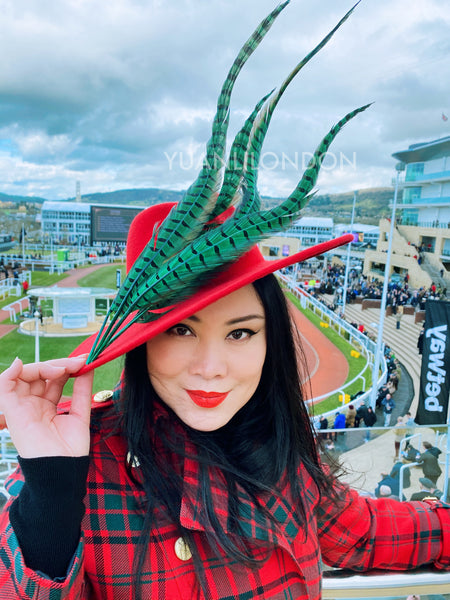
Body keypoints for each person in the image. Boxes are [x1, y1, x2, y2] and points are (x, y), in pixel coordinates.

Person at [1, 7, 450, 600]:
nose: (212, 366)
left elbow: (365, 532)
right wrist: (51, 493)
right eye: (182, 331)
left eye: (241, 333)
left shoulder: (281, 447)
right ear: (143, 341)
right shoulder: (87, 465)